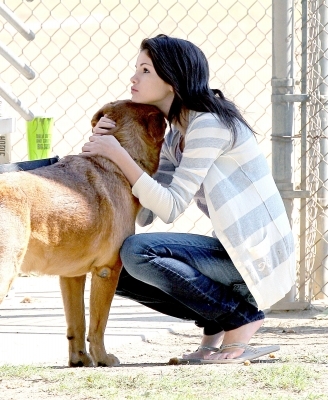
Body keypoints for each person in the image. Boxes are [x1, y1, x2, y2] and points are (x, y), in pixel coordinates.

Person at [81, 34, 295, 362]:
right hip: (232, 256)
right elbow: (149, 213)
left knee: (137, 251)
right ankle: (216, 323)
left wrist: (119, 154)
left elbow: (171, 205)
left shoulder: (208, 124)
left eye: (145, 70)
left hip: (256, 256)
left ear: (171, 78)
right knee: (113, 266)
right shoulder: (177, 136)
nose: (133, 78)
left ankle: (240, 318)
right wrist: (117, 142)